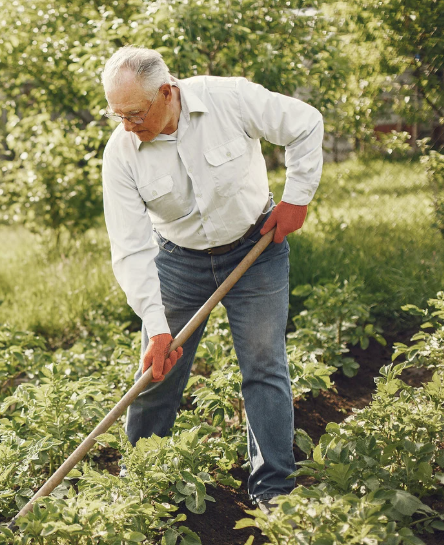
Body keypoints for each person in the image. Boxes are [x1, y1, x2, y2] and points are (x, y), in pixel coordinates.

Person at [101, 46, 323, 510]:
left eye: (135, 113)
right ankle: (140, 485)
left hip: (255, 247)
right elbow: (131, 247)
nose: (126, 125)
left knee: (264, 366)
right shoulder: (121, 153)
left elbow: (305, 122)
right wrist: (157, 327)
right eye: (116, 114)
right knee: (157, 371)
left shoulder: (229, 99)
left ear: (167, 93)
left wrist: (297, 198)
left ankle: (274, 491)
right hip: (178, 261)